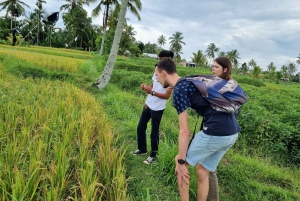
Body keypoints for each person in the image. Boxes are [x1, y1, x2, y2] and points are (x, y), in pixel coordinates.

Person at [155, 57, 247, 201]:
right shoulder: (190, 81)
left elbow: (185, 132)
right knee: (203, 170)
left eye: (157, 75)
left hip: (215, 132)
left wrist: (181, 161)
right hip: (232, 133)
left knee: (180, 163)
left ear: (164, 73)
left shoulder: (179, 89)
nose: (157, 80)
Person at [132, 50, 174, 165]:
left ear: (169, 60)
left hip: (158, 108)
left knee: (154, 132)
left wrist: (152, 92)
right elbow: (153, 85)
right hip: (149, 104)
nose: (159, 61)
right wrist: (147, 88)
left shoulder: (171, 76)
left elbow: (166, 96)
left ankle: (153, 155)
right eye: (159, 59)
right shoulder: (157, 69)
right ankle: (142, 149)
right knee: (140, 127)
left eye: (162, 59)